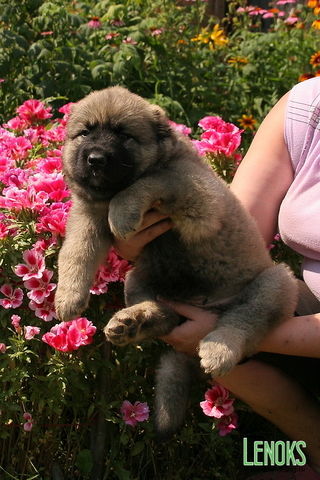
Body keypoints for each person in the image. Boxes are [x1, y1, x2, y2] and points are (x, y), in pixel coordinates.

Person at [113, 76, 320, 479]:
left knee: (220, 328)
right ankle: (313, 452)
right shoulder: (308, 108)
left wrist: (232, 331)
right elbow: (232, 241)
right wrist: (139, 242)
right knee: (197, 299)